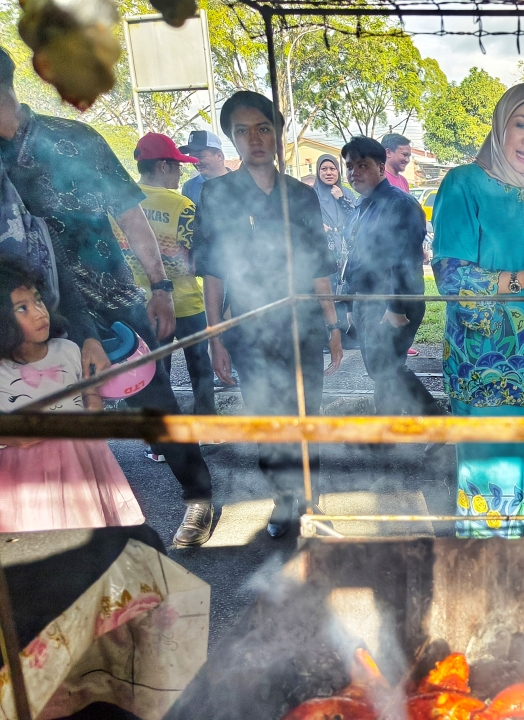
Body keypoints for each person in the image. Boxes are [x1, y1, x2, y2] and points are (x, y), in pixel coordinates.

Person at [0, 45, 216, 547]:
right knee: (49, 423)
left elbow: (129, 214)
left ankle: (199, 497)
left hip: (112, 302)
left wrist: (159, 286)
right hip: (28, 317)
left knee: (154, 408)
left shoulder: (74, 139)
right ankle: (82, 533)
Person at [193, 91, 343, 539]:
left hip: (302, 328)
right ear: (232, 140)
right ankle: (283, 501)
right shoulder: (217, 194)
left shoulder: (300, 195)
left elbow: (317, 264)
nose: (255, 138)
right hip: (248, 331)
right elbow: (213, 270)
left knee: (305, 417)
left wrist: (333, 325)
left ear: (277, 135)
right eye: (243, 131)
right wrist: (215, 336)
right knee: (269, 421)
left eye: (263, 128)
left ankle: (310, 501)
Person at [432, 83, 524, 539]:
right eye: (521, 125)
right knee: (486, 469)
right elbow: (451, 277)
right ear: (500, 126)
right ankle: (484, 577)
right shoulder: (463, 183)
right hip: (482, 357)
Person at [0, 257, 144, 532]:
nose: (39, 312)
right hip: (27, 478)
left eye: (38, 300)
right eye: (22, 308)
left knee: (90, 532)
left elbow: (90, 399)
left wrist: (92, 406)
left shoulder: (67, 350)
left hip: (82, 460)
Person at [341, 136, 440, 416]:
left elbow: (405, 259)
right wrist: (351, 304)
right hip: (367, 300)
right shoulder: (362, 205)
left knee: (384, 367)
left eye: (362, 165)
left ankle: (435, 419)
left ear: (381, 167)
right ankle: (385, 426)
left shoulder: (401, 204)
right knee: (384, 366)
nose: (353, 173)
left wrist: (395, 307)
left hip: (394, 300)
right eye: (349, 166)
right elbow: (354, 258)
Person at [129, 133, 215, 419]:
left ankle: (161, 442)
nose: (181, 172)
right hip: (187, 303)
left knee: (155, 372)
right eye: (177, 166)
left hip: (143, 305)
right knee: (200, 368)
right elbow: (199, 259)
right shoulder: (182, 206)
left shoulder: (122, 206)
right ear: (163, 167)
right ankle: (209, 427)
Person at [313, 154, 356, 333]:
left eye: (333, 169)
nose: (329, 173)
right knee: (327, 291)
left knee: (347, 290)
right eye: (324, 169)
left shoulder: (346, 193)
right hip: (324, 249)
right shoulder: (311, 193)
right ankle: (329, 332)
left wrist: (340, 199)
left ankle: (347, 333)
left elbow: (356, 217)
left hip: (346, 248)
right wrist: (317, 225)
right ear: (318, 171)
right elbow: (303, 219)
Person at [179, 130, 230, 205]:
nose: (196, 163)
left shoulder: (240, 183)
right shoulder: (189, 187)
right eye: (192, 158)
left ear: (219, 156)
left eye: (200, 156)